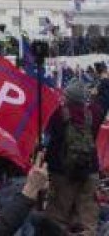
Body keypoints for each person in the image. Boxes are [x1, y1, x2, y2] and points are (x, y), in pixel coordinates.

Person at [44, 79, 108, 234]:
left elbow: (47, 134)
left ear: (66, 97)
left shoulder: (56, 114)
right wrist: (104, 80)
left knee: (57, 218)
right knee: (87, 220)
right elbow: (104, 98)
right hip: (89, 171)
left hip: (61, 173)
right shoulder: (95, 113)